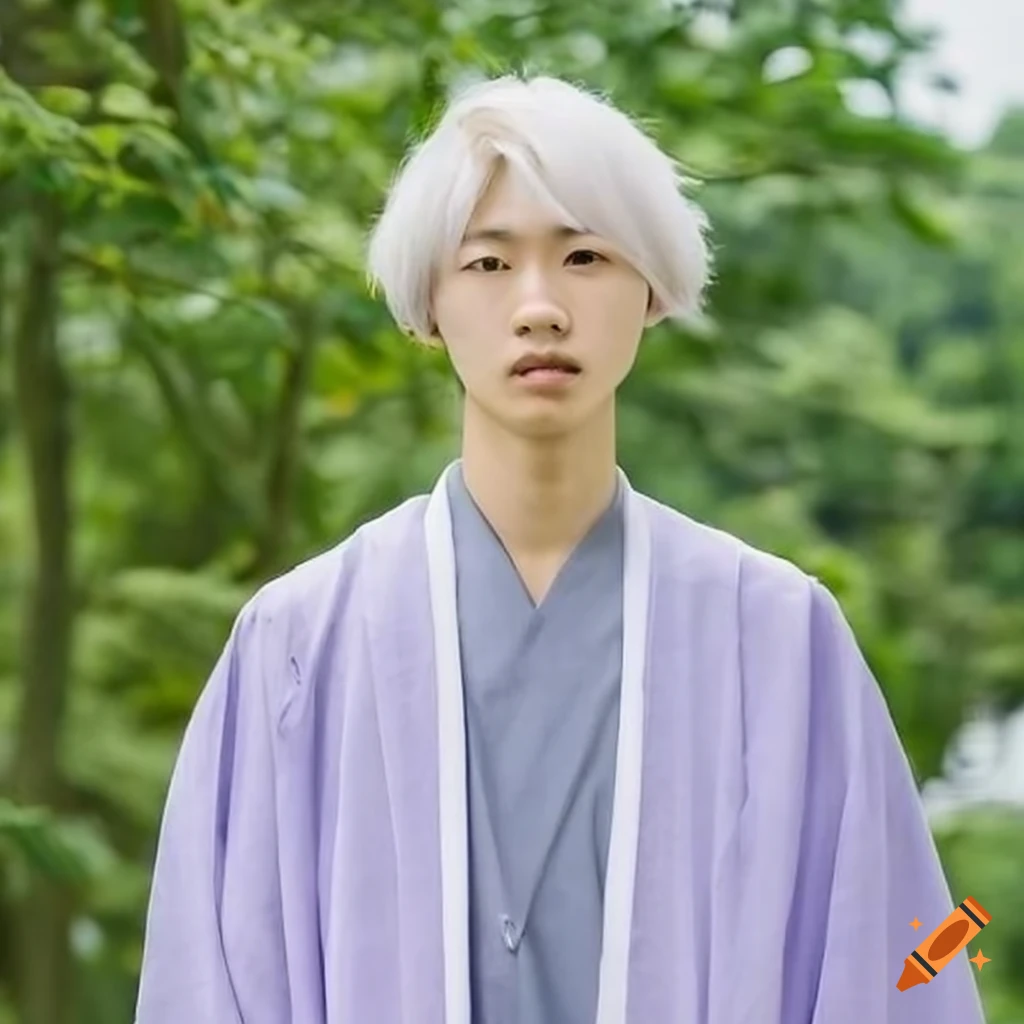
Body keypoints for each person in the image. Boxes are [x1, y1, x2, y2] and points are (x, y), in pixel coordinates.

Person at [134, 73, 986, 1024]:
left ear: (652, 288)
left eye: (585, 256)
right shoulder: (297, 646)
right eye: (488, 263)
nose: (539, 306)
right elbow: (207, 986)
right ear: (427, 303)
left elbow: (892, 967)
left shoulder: (779, 638)